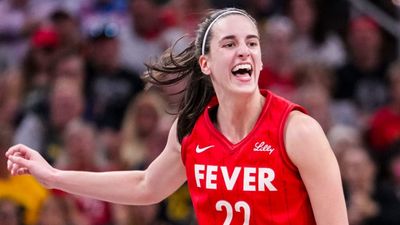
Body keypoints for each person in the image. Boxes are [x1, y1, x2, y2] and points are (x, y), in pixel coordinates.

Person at [5, 7, 348, 225]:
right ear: (206, 63)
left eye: (252, 43)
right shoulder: (191, 129)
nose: (244, 49)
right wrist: (54, 176)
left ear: (259, 59)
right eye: (229, 44)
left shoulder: (298, 131)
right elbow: (145, 185)